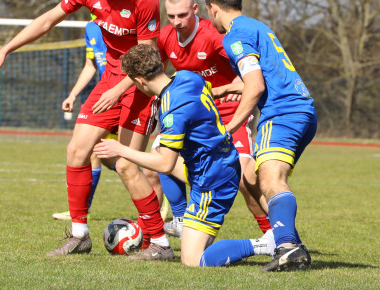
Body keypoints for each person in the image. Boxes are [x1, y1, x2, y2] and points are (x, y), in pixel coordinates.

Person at [0, 0, 173, 259]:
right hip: (110, 80)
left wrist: (118, 91)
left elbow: (148, 58)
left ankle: (161, 243)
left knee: (127, 165)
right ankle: (79, 236)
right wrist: (6, 49)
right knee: (76, 151)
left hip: (141, 86)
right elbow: (47, 20)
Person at [93, 45, 276, 266]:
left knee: (192, 259)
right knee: (159, 148)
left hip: (212, 180)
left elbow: (165, 164)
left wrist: (121, 150)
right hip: (217, 162)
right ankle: (181, 219)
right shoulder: (186, 76)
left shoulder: (172, 108)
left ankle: (265, 244)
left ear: (139, 81)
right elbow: (207, 91)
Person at [204, 0, 317, 272]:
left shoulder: (234, 36)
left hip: (282, 113)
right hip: (301, 109)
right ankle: (286, 242)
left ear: (213, 8)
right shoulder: (256, 26)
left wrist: (228, 128)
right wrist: (226, 88)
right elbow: (262, 75)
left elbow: (255, 87)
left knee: (270, 180)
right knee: (252, 178)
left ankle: (287, 247)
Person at [154, 0, 271, 238]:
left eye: (182, 15)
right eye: (171, 16)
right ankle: (180, 219)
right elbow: (157, 75)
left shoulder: (214, 35)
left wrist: (236, 83)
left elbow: (252, 70)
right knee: (161, 155)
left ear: (195, 9)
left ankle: (274, 234)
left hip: (230, 112)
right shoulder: (165, 37)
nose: (176, 22)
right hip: (195, 115)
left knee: (244, 179)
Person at [53, 16, 115, 219]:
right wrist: (73, 94)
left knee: (125, 163)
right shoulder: (91, 27)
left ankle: (160, 194)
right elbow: (91, 66)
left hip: (127, 95)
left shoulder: (121, 21)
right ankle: (80, 210)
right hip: (105, 96)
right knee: (95, 153)